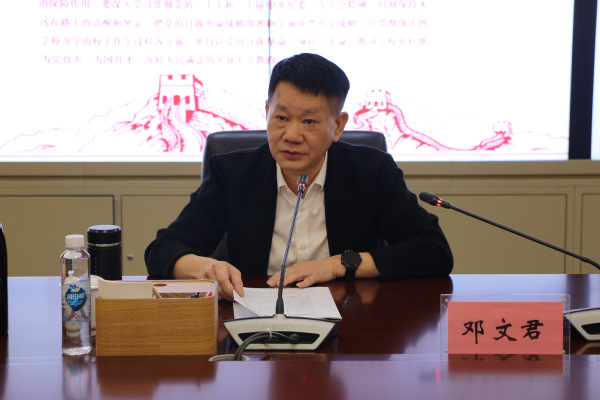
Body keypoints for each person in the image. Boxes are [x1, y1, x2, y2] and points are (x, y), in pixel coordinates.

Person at [145, 53, 453, 301]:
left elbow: (433, 250)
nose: (291, 135)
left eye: (309, 122)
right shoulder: (234, 174)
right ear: (267, 111)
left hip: (350, 321)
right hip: (253, 322)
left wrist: (338, 264)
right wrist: (206, 269)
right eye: (280, 118)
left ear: (337, 126)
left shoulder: (370, 171)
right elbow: (163, 250)